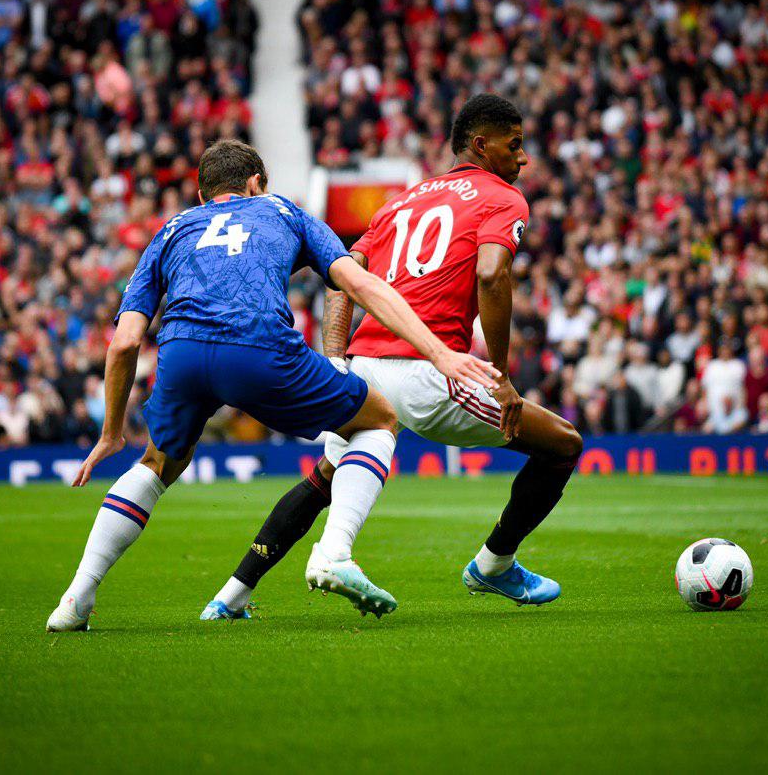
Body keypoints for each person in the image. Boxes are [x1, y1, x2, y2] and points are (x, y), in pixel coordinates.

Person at [46, 140, 498, 632]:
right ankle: (334, 553)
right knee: (380, 418)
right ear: (257, 182)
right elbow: (359, 284)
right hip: (259, 347)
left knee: (157, 463)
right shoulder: (282, 209)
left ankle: (75, 600)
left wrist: (111, 432)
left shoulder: (172, 228)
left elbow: (125, 342)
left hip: (182, 351)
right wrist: (439, 351)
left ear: (202, 193)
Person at [203, 95, 583, 620]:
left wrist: (335, 360)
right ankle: (495, 564)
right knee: (562, 445)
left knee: (325, 478)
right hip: (430, 374)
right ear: (481, 145)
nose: (523, 159)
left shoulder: (403, 200)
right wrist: (500, 376)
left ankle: (229, 597)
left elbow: (341, 282)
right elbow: (492, 275)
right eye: (514, 145)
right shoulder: (503, 198)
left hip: (364, 368)